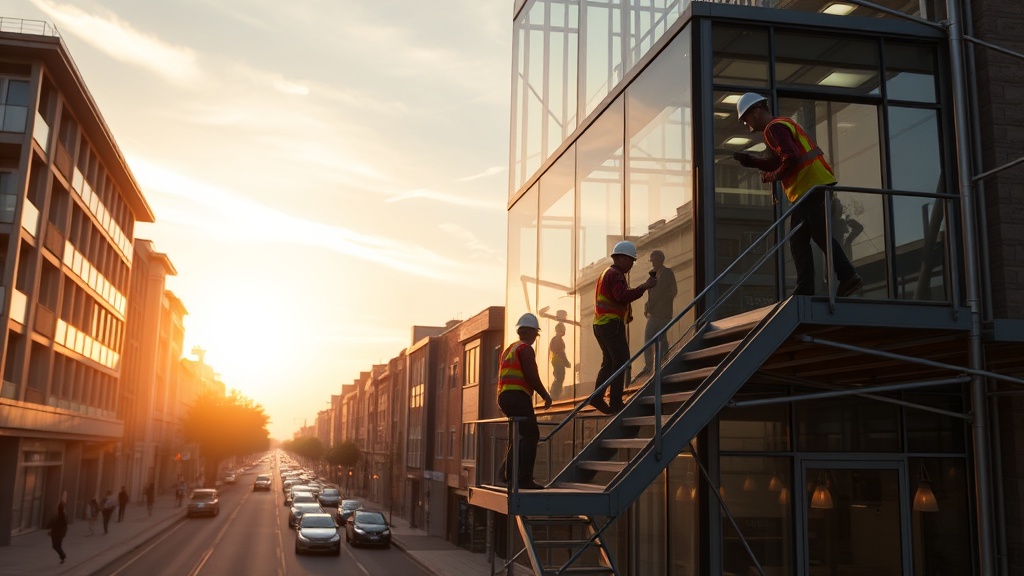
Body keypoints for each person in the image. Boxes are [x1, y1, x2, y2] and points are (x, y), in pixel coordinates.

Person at [732, 92, 863, 298]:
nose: (746, 124)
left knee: (799, 239)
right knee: (817, 235)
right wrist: (751, 161)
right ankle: (845, 277)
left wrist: (773, 176)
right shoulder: (782, 124)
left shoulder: (773, 128)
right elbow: (781, 159)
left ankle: (812, 286)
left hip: (810, 187)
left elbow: (790, 158)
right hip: (816, 184)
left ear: (756, 112)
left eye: (745, 118)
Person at [591, 241, 657, 415]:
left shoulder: (607, 273)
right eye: (630, 260)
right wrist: (644, 286)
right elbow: (621, 296)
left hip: (601, 324)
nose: (632, 264)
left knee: (611, 361)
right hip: (611, 324)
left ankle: (598, 397)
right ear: (620, 258)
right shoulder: (616, 275)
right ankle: (615, 401)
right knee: (621, 361)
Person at [497, 313, 553, 490]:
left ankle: (507, 474)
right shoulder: (526, 349)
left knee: (516, 436)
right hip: (518, 397)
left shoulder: (510, 349)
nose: (536, 338)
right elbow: (531, 375)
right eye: (536, 334)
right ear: (531, 332)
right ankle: (524, 478)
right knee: (531, 435)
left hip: (505, 397)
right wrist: (545, 394)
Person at [642, 250, 677, 374]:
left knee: (660, 338)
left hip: (663, 313)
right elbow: (651, 295)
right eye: (652, 261)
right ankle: (650, 365)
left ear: (661, 260)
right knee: (651, 338)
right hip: (654, 314)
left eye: (655, 260)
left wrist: (660, 304)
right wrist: (648, 306)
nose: (653, 263)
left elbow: (672, 292)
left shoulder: (667, 273)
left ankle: (661, 362)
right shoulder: (653, 275)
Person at [548, 319, 571, 399]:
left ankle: (554, 395)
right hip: (558, 362)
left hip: (555, 361)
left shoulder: (555, 339)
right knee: (559, 378)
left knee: (558, 378)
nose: (564, 331)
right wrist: (567, 363)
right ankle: (554, 396)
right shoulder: (558, 340)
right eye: (564, 330)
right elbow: (561, 353)